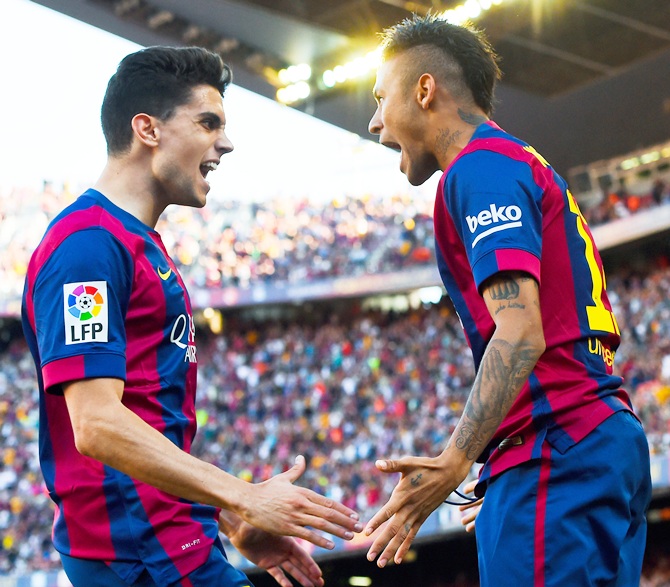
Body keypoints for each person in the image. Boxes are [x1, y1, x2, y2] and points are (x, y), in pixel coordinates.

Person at [21, 46, 362, 587]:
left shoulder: (136, 242)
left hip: (169, 538)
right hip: (140, 552)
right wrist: (245, 496)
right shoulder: (87, 247)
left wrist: (233, 519)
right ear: (147, 129)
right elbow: (97, 424)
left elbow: (148, 419)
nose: (225, 143)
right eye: (208, 122)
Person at [363, 13, 651, 586]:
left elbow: (520, 332)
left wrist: (454, 462)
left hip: (557, 447)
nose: (374, 123)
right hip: (592, 441)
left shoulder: (480, 169)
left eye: (379, 99)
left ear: (425, 90)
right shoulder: (514, 160)